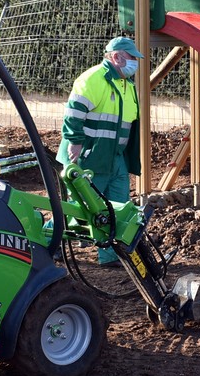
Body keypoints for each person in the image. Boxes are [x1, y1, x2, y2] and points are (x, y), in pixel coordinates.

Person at [57, 36, 145, 266]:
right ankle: (52, 242)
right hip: (90, 156)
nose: (136, 63)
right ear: (116, 57)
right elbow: (73, 115)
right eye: (132, 58)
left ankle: (109, 255)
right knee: (81, 207)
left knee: (117, 204)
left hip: (115, 158)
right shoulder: (93, 79)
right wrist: (75, 143)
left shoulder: (127, 86)